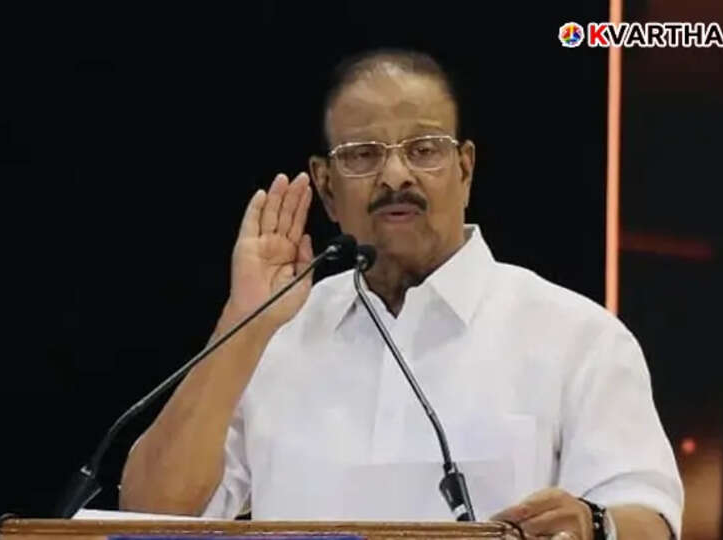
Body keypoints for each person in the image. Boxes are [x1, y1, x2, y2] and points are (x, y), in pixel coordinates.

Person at [119, 49, 684, 540]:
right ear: (325, 186)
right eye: (362, 155)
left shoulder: (574, 335)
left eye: (424, 149)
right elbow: (149, 512)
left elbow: (649, 519)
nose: (395, 175)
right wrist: (243, 320)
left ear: (465, 170)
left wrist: (592, 524)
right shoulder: (277, 335)